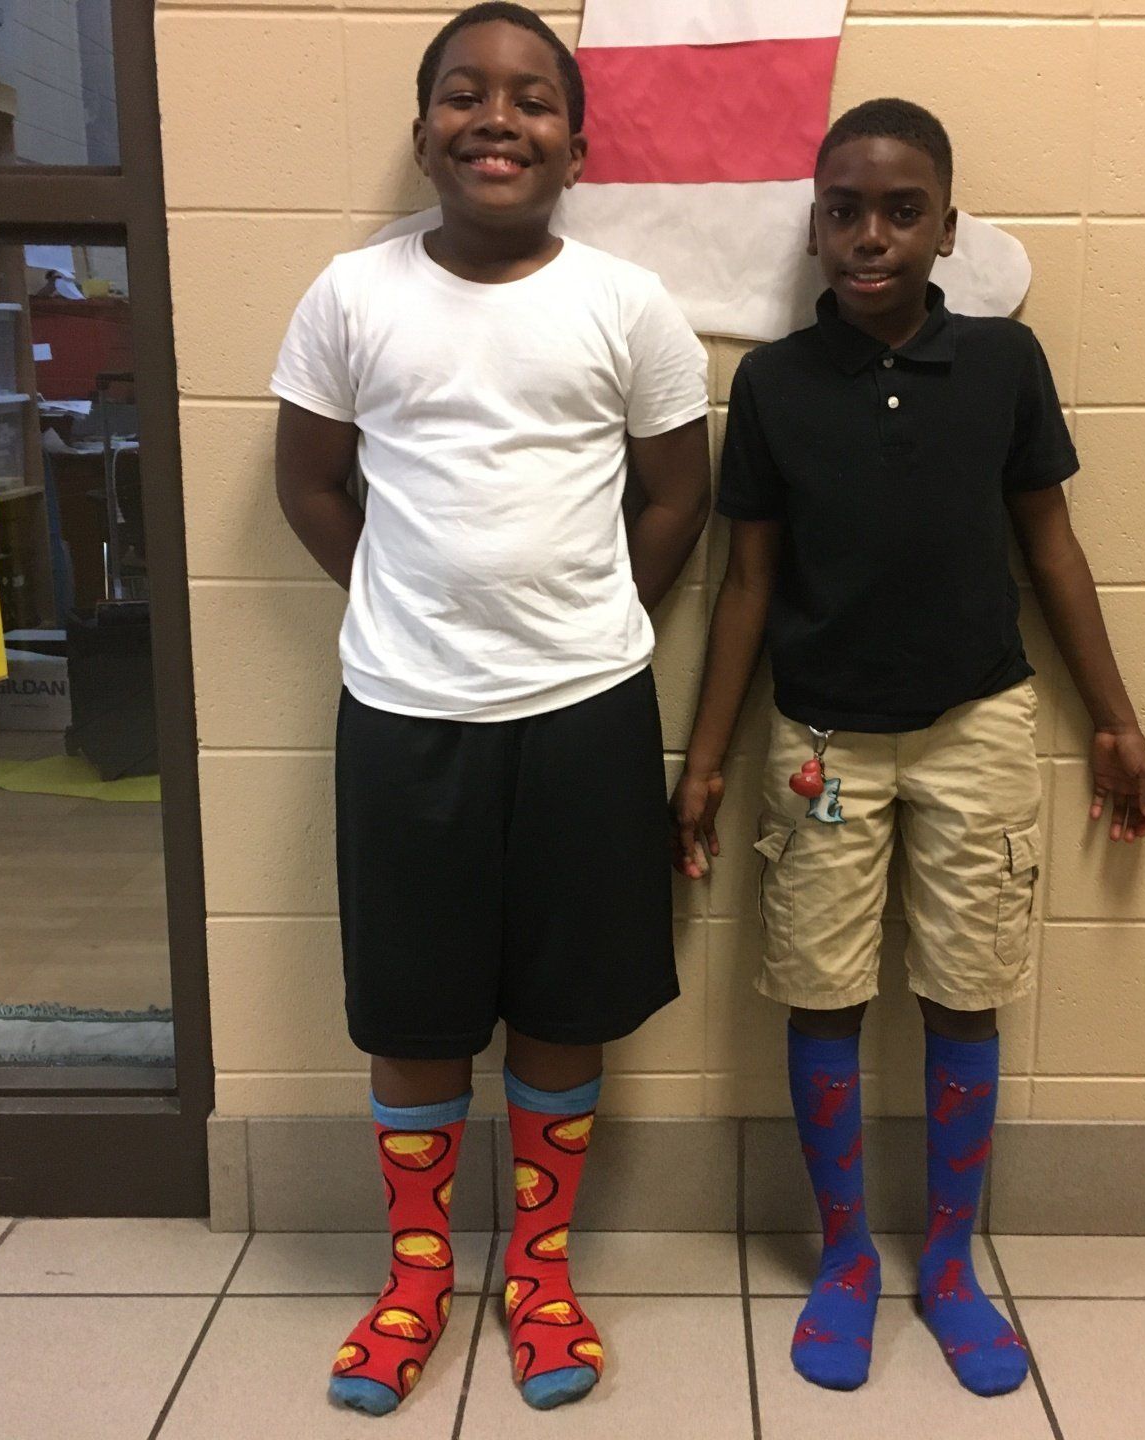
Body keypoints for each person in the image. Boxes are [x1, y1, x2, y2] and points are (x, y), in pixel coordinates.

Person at [671, 98, 1145, 1397]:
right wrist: (707, 757)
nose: (871, 235)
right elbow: (747, 586)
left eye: (902, 210)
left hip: (978, 729)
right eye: (844, 210)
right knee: (822, 989)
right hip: (823, 741)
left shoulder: (1006, 363)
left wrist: (1114, 714)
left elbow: (1049, 547)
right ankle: (845, 1258)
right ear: (815, 224)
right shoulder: (773, 385)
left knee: (964, 984)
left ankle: (948, 1265)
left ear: (949, 223)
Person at [271, 2, 711, 1415]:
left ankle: (537, 1274)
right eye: (465, 94)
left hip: (584, 707)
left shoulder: (626, 304)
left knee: (564, 1004)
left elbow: (678, 491)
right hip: (403, 710)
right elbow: (309, 484)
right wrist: (405, 594)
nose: (496, 119)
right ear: (422, 135)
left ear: (578, 145)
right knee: (414, 1005)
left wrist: (599, 617)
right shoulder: (351, 296)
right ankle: (415, 1278)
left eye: (530, 99)